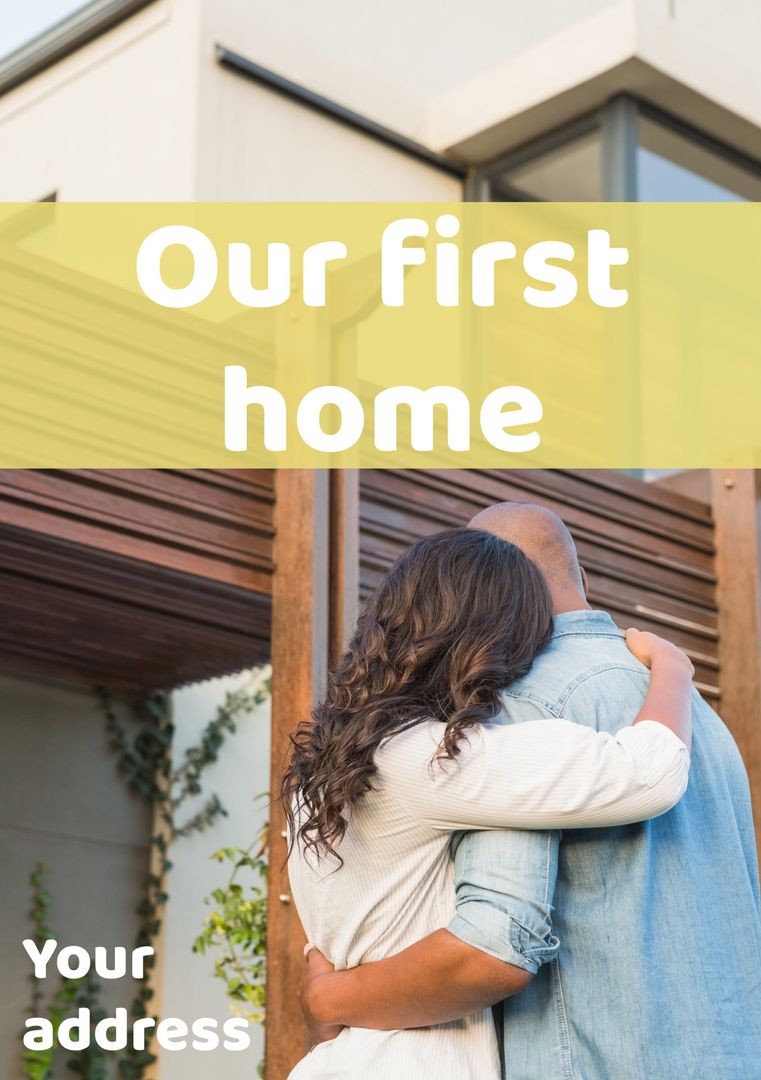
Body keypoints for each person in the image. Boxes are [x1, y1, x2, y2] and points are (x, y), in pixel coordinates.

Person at [301, 504, 761, 1079]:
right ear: (582, 578)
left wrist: (328, 998)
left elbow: (492, 945)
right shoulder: (697, 718)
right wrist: (674, 668)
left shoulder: (502, 708)